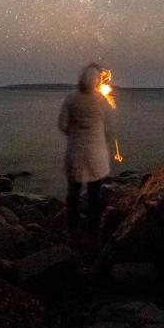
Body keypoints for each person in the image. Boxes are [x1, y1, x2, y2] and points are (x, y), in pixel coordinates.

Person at [58, 63, 114, 233]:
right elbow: (109, 128)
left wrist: (74, 134)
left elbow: (61, 125)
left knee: (73, 193)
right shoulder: (102, 100)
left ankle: (73, 228)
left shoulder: (70, 98)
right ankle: (92, 230)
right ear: (96, 81)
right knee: (94, 196)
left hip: (75, 154)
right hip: (96, 156)